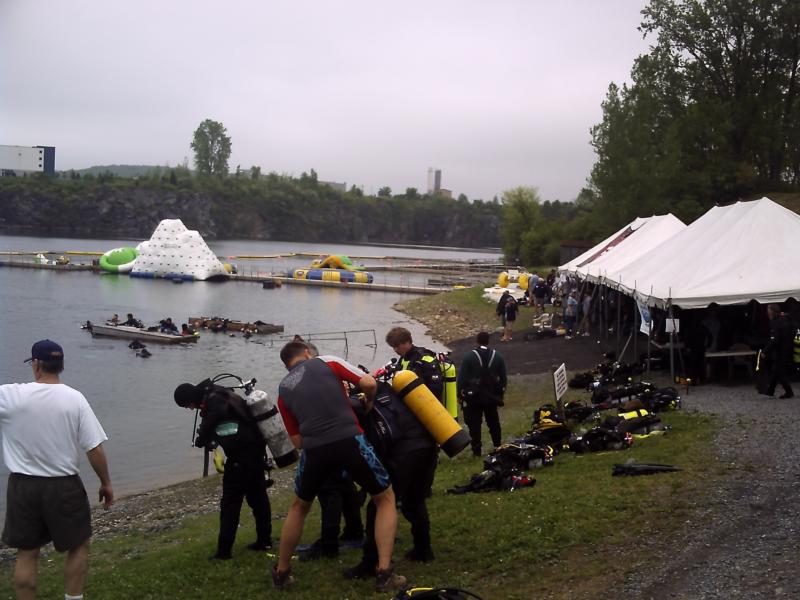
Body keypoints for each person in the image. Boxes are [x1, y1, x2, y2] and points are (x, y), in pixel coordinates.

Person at [272, 342, 405, 592]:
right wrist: (368, 402)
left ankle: (281, 572)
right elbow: (368, 383)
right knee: (384, 498)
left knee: (299, 507)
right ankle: (385, 572)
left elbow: (297, 441)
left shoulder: (283, 390)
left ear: (286, 364)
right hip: (350, 440)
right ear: (308, 353)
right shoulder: (327, 361)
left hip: (314, 450)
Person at [0, 340, 113, 600]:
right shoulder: (75, 398)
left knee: (27, 552)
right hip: (64, 486)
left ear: (36, 365)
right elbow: (93, 448)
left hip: (22, 487)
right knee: (78, 545)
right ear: (61, 366)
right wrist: (106, 483)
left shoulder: (10, 395)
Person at [346, 377, 439, 578]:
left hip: (403, 453)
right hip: (428, 446)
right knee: (414, 501)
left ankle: (370, 563)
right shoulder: (390, 388)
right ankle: (423, 550)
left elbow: (369, 438)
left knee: (378, 506)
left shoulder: (358, 401)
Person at [174, 379, 273, 560]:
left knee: (230, 504)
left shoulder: (213, 401)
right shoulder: (221, 392)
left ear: (190, 399)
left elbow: (213, 421)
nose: (189, 409)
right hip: (255, 452)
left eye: (186, 405)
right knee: (258, 499)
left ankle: (224, 552)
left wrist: (202, 438)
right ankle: (264, 541)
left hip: (240, 459)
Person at [457, 332, 507, 456]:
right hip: (491, 397)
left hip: (473, 397)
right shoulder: (498, 356)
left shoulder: (468, 357)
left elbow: (462, 378)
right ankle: (497, 445)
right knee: (493, 422)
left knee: (474, 425)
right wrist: (500, 393)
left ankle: (477, 450)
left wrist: (459, 394)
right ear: (488, 341)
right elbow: (503, 378)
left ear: (477, 342)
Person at [385, 327, 444, 400]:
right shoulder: (403, 359)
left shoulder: (424, 359)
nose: (395, 350)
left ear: (407, 342)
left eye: (397, 346)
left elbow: (436, 388)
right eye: (393, 347)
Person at [764, 304, 794, 399]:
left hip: (780, 350)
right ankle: (770, 390)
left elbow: (775, 339)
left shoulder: (776, 322)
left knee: (779, 371)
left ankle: (789, 391)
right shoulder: (785, 320)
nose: (767, 312)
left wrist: (766, 350)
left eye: (768, 310)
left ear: (772, 311)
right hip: (787, 348)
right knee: (776, 370)